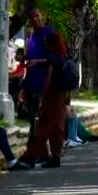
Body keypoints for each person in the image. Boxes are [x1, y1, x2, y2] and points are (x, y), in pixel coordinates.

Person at [19, 30, 69, 169]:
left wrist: (42, 96)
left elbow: (49, 79)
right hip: (62, 95)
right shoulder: (63, 56)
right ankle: (55, 156)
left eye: (47, 42)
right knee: (58, 126)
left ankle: (31, 156)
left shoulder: (53, 59)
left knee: (44, 125)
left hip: (52, 95)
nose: (45, 44)